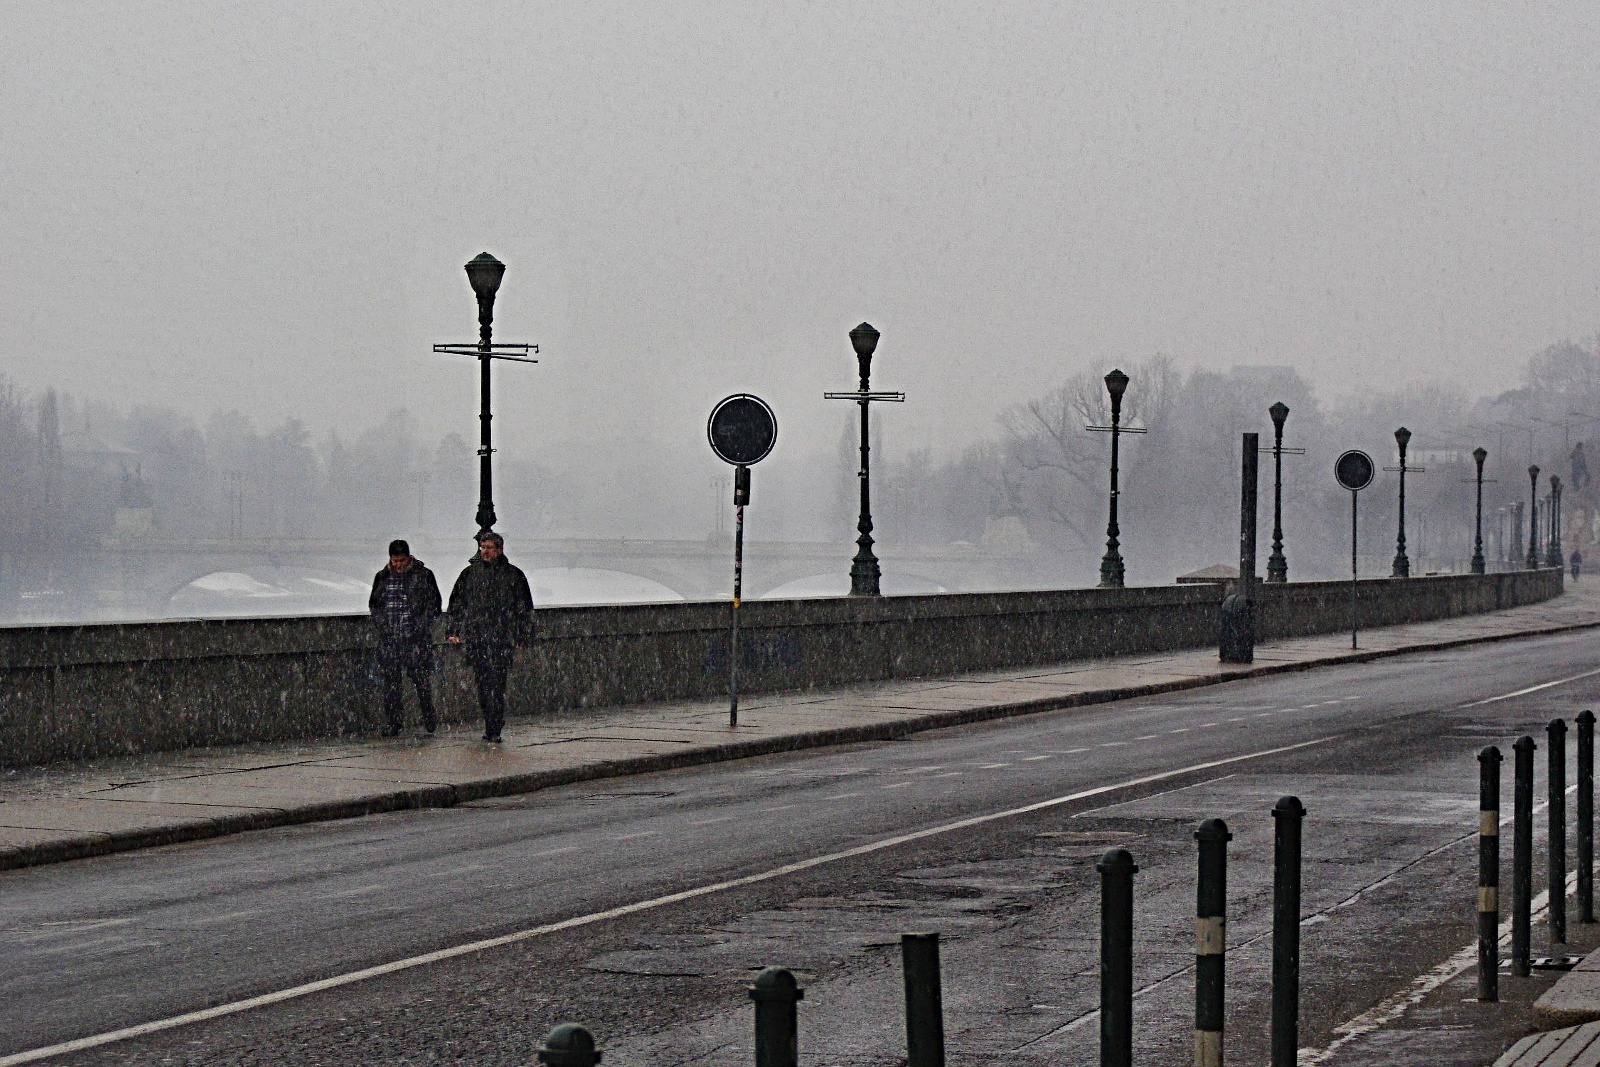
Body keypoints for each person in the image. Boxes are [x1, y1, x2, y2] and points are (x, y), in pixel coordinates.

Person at [447, 531, 534, 742]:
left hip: (501, 638)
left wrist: (523, 635)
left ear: (499, 550)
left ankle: (494, 725)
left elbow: (524, 608)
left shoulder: (513, 575)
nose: (484, 552)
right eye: (482, 548)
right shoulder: (470, 574)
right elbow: (457, 604)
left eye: (488, 548)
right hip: (477, 638)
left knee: (496, 683)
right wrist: (453, 630)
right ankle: (491, 721)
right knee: (483, 684)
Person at [368, 539, 442, 737]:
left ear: (409, 557)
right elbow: (375, 605)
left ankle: (428, 716)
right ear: (390, 559)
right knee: (391, 684)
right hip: (390, 639)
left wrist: (419, 627)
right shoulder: (382, 577)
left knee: (421, 681)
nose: (398, 565)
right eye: (395, 560)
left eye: (401, 560)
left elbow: (434, 604)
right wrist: (383, 627)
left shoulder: (423, 575)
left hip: (415, 639)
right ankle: (394, 723)